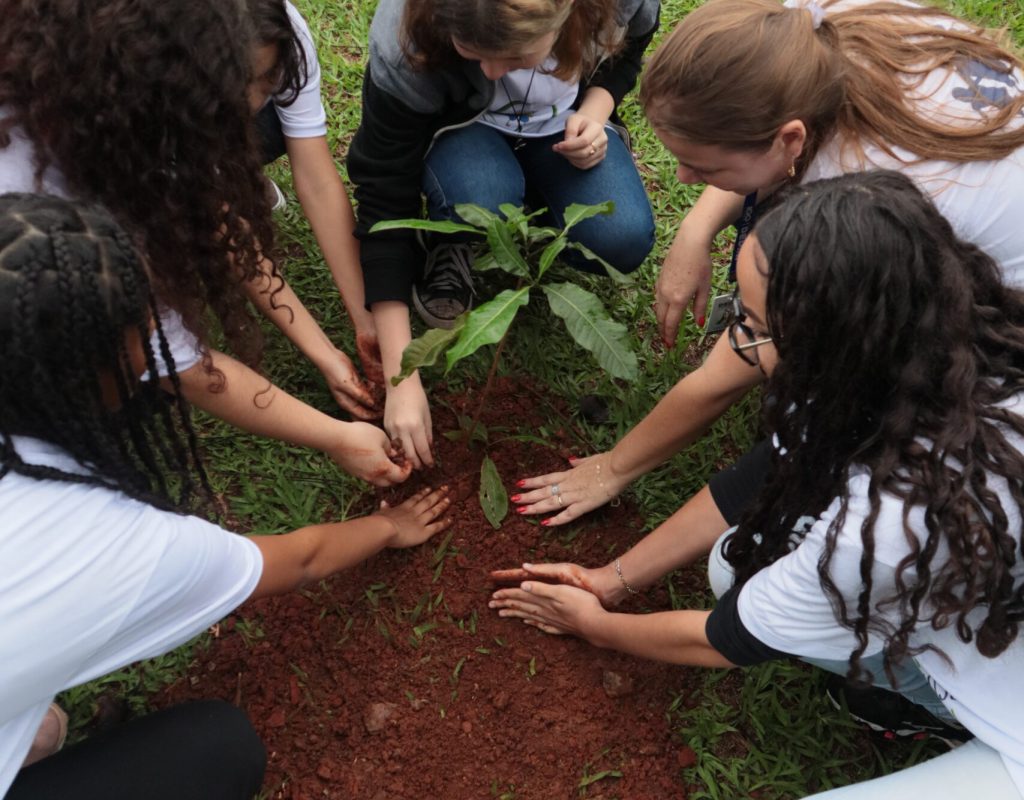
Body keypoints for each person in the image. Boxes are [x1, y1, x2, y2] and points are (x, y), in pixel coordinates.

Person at [492, 171, 1024, 798]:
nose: (738, 339)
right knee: (732, 564)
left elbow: (726, 639)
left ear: (826, 342)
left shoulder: (879, 533)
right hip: (991, 607)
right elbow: (767, 475)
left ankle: (924, 704)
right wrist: (612, 579)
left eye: (751, 322)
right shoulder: (937, 349)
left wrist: (593, 624)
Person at [0, 193, 452, 799]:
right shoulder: (109, 540)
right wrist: (390, 528)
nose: (162, 331)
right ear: (108, 372)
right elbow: (301, 560)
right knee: (219, 746)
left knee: (38, 725)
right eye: (147, 323)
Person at [514, 0, 1024, 523]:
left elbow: (736, 367)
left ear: (791, 139)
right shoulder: (806, 27)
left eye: (704, 165)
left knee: (831, 413)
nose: (685, 179)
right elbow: (766, 154)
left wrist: (616, 467)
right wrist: (696, 228)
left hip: (1003, 330)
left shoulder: (864, 200)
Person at [0, 0, 406, 486]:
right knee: (107, 389)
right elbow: (179, 359)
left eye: (267, 78)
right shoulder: (63, 165)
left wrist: (330, 348)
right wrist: (336, 437)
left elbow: (213, 215)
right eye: (238, 87)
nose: (258, 101)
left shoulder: (265, 25)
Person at [347, 0, 659, 470]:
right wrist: (401, 374)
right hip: (463, 134)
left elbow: (631, 47)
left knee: (622, 236)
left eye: (514, 58)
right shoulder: (406, 35)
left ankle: (522, 200)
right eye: (471, 54)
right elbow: (384, 194)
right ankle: (465, 226)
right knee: (483, 195)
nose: (492, 72)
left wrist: (596, 108)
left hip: (562, 133)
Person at [248, 0, 384, 389]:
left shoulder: (281, 30)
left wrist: (366, 318)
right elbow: (225, 233)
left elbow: (316, 178)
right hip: (136, 142)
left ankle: (232, 169)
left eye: (267, 76)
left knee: (269, 124)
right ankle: (219, 172)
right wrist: (323, 352)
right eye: (239, 79)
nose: (256, 100)